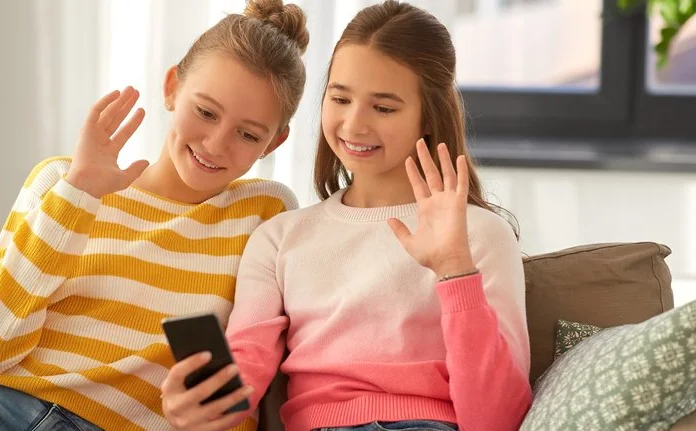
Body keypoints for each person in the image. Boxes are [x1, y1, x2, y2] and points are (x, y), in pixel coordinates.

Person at [0, 1, 309, 430]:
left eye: (248, 134)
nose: (216, 144)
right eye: (206, 111)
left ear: (274, 142)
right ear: (172, 87)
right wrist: (77, 195)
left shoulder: (265, 213)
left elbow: (245, 370)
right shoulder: (61, 180)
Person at [160, 2, 532, 430]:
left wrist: (454, 271)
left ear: (428, 116)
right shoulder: (280, 236)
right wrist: (198, 403)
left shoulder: (481, 236)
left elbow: (497, 421)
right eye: (340, 98)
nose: (354, 125)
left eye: (384, 107)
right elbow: (247, 365)